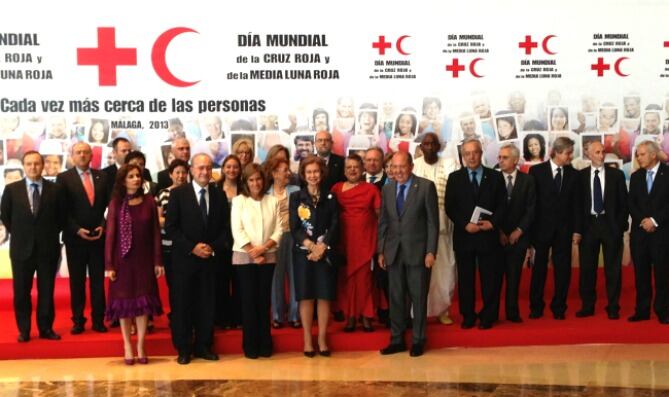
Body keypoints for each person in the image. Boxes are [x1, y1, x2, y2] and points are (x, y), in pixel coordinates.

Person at [165, 154, 231, 364]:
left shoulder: (219, 194)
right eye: (200, 168)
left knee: (206, 304)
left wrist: (212, 247)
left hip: (210, 260)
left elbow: (224, 229)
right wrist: (192, 248)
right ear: (191, 170)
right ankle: (184, 349)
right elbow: (171, 228)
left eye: (208, 168)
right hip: (184, 260)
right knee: (183, 304)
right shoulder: (178, 194)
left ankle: (203, 346)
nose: (204, 172)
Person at [378, 151, 438, 357]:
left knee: (418, 297)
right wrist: (381, 250)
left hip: (418, 253)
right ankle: (397, 340)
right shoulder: (386, 189)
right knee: (395, 298)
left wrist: (431, 251)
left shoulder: (425, 187)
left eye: (402, 167)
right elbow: (383, 222)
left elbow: (432, 223)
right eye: (394, 167)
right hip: (394, 252)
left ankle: (419, 340)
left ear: (411, 166)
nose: (398, 171)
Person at [1, 151, 65, 342]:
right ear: (24, 166)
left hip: (47, 249)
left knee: (46, 291)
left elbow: (61, 218)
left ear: (42, 165)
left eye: (36, 163)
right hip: (21, 250)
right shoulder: (12, 190)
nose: (33, 167)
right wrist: (23, 234)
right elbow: (6, 216)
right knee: (21, 292)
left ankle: (46, 328)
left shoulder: (55, 190)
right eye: (29, 164)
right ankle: (24, 330)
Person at [104, 164, 164, 364]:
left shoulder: (149, 201)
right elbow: (110, 235)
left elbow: (156, 233)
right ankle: (127, 345)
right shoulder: (115, 203)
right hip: (122, 261)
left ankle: (140, 345)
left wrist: (158, 261)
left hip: (144, 260)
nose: (136, 179)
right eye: (131, 176)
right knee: (124, 304)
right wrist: (109, 265)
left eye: (138, 175)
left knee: (143, 303)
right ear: (123, 180)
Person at [445, 138, 506, 330]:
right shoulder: (454, 178)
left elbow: (503, 205)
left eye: (475, 152)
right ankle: (468, 316)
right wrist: (464, 225)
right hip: (465, 237)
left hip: (488, 236)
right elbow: (450, 207)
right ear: (462, 156)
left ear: (481, 153)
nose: (471, 157)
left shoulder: (495, 177)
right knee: (466, 280)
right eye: (467, 153)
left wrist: (493, 223)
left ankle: (489, 316)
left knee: (490, 279)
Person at [56, 142, 110, 334]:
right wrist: (77, 229)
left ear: (91, 155)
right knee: (77, 282)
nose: (82, 155)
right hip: (75, 239)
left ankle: (98, 320)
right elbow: (62, 211)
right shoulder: (63, 178)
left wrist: (103, 226)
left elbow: (108, 206)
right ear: (72, 155)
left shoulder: (102, 176)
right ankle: (78, 320)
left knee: (98, 282)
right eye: (78, 152)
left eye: (86, 152)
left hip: (98, 239)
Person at [289, 155, 339, 357]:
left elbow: (335, 225)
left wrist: (322, 246)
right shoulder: (296, 197)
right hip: (303, 254)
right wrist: (311, 246)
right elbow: (294, 227)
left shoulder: (331, 197)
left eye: (316, 171)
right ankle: (308, 339)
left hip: (324, 253)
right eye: (308, 172)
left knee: (324, 296)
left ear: (322, 173)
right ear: (303, 174)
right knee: (307, 296)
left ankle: (322, 339)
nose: (313, 175)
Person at [231, 163, 282, 359]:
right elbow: (237, 229)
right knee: (249, 302)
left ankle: (265, 344)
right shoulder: (238, 201)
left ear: (264, 180)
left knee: (263, 301)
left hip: (268, 256)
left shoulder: (273, 201)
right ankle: (250, 345)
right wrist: (253, 251)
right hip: (245, 257)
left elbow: (279, 230)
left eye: (258, 179)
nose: (255, 183)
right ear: (246, 182)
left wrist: (264, 249)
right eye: (251, 180)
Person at [574, 141, 628, 320]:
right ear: (588, 154)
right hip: (588, 226)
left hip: (610, 226)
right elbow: (577, 206)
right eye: (596, 152)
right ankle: (587, 306)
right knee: (587, 270)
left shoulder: (617, 175)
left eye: (602, 151)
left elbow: (623, 203)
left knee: (613, 269)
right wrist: (578, 230)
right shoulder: (580, 176)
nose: (601, 155)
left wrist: (619, 226)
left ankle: (613, 307)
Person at [529, 137, 580, 320]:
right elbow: (531, 203)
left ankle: (559, 307)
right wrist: (530, 233)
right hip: (540, 231)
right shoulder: (536, 171)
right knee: (539, 271)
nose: (570, 156)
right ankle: (536, 307)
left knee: (563, 272)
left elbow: (576, 206)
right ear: (557, 152)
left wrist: (576, 230)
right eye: (568, 153)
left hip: (564, 232)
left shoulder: (574, 174)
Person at [413, 133, 459, 325]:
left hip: (444, 228)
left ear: (439, 146)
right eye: (426, 144)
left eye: (433, 144)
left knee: (445, 271)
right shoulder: (414, 165)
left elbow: (456, 194)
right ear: (421, 147)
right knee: (419, 272)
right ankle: (418, 312)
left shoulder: (450, 164)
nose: (430, 147)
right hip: (417, 229)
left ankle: (442, 310)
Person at [332, 154, 381, 332]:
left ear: (362, 169)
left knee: (364, 280)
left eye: (356, 167)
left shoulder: (371, 189)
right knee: (346, 280)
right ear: (344, 171)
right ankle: (351, 316)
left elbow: (379, 216)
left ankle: (366, 316)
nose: (352, 170)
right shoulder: (336, 189)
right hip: (344, 241)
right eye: (349, 167)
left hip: (365, 240)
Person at [628, 140, 669, 323]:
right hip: (640, 234)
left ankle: (663, 310)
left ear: (653, 155)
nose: (639, 157)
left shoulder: (667, 174)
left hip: (662, 234)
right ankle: (642, 310)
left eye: (642, 154)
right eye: (637, 154)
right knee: (641, 275)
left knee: (663, 274)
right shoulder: (636, 176)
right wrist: (643, 221)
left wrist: (654, 220)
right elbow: (631, 203)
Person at [496, 143, 536, 323]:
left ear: (515, 160)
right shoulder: (493, 179)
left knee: (514, 277)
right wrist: (499, 231)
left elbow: (531, 209)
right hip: (496, 237)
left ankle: (512, 312)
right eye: (499, 157)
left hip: (519, 238)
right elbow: (489, 208)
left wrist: (518, 231)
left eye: (504, 157)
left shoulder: (527, 180)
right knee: (495, 278)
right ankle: (493, 313)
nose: (500, 161)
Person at [266, 157, 301, 329]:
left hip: (294, 237)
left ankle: (295, 315)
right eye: (284, 170)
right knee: (275, 278)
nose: (288, 173)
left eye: (288, 169)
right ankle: (277, 316)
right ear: (274, 174)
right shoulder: (266, 194)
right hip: (274, 240)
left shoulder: (296, 190)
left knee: (295, 276)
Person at [156, 159, 189, 321]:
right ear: (170, 175)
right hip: (168, 246)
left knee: (188, 284)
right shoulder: (163, 193)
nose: (181, 176)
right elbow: (158, 219)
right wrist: (175, 222)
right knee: (173, 284)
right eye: (177, 172)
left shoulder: (192, 192)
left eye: (184, 172)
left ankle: (187, 315)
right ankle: (176, 315)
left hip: (188, 246)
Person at [215, 155, 243, 329]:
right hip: (221, 242)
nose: (232, 170)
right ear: (223, 169)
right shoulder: (215, 188)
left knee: (239, 282)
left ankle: (238, 317)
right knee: (221, 281)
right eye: (228, 167)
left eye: (235, 167)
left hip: (241, 242)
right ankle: (222, 318)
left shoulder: (244, 188)